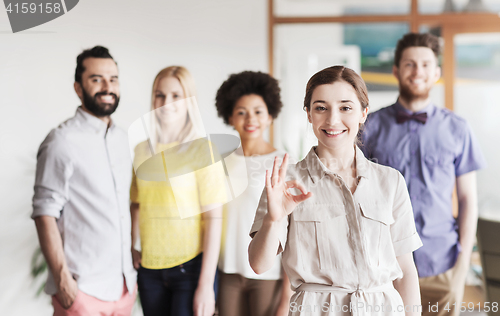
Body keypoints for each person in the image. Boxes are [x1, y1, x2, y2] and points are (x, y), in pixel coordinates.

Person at [248, 65, 423, 316]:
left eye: (345, 108)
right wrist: (272, 219)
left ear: (363, 113)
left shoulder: (390, 181)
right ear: (308, 114)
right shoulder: (286, 183)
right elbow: (259, 264)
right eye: (321, 108)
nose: (332, 120)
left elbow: (405, 269)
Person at [361, 33, 486, 316]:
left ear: (436, 73)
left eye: (426, 64)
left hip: (442, 263)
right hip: (384, 263)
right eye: (410, 64)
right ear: (396, 70)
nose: (418, 72)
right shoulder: (369, 127)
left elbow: (468, 199)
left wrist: (463, 260)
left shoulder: (458, 128)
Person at [32, 46, 137, 316]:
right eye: (96, 79)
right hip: (83, 291)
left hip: (124, 289)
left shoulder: (124, 140)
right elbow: (44, 214)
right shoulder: (61, 141)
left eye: (113, 79)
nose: (107, 86)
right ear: (78, 88)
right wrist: (63, 281)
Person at [130, 66, 226, 316]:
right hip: (149, 270)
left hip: (191, 270)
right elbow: (136, 203)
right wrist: (131, 246)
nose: (166, 103)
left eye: (176, 95)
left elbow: (214, 219)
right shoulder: (141, 150)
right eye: (159, 95)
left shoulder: (203, 150)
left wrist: (206, 285)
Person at [215, 71, 293, 316]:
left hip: (268, 274)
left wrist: (286, 299)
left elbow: (292, 231)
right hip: (228, 271)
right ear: (229, 116)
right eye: (241, 112)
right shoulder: (220, 161)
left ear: (270, 116)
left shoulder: (282, 161)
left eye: (258, 111)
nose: (251, 119)